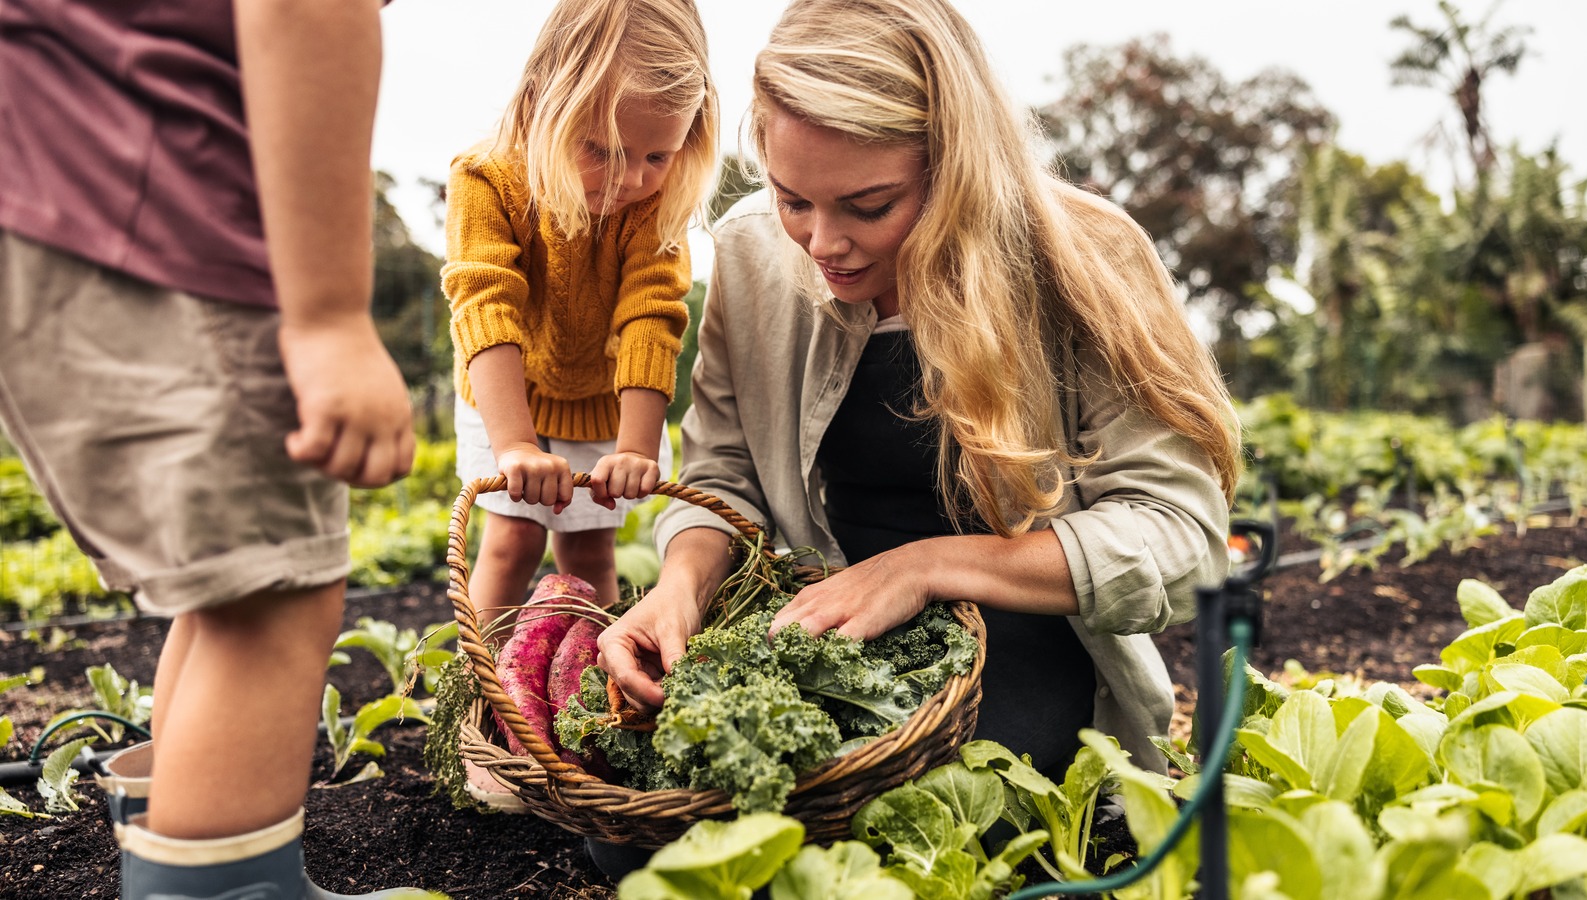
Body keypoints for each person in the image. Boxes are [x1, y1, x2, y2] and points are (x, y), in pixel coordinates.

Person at [597, 0, 1241, 791]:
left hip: (1018, 635)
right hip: (817, 619)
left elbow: (1181, 538)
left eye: (869, 207)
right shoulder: (751, 249)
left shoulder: (1085, 259)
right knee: (643, 819)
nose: (822, 243)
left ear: (957, 167)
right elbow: (722, 472)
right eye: (793, 198)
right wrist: (680, 588)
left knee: (940, 800)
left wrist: (924, 567)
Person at [0, 2, 423, 897]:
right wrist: (331, 318)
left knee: (226, 586)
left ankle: (187, 855)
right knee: (274, 597)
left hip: (58, 181)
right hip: (150, 204)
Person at [443, 0, 718, 628]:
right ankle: (476, 698)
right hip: (507, 393)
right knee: (512, 542)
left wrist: (636, 449)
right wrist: (513, 444)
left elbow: (652, 314)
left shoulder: (655, 206)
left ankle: (592, 696)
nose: (633, 179)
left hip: (602, 401)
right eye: (603, 150)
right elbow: (486, 303)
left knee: (589, 555)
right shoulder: (487, 180)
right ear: (543, 102)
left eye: (659, 156)